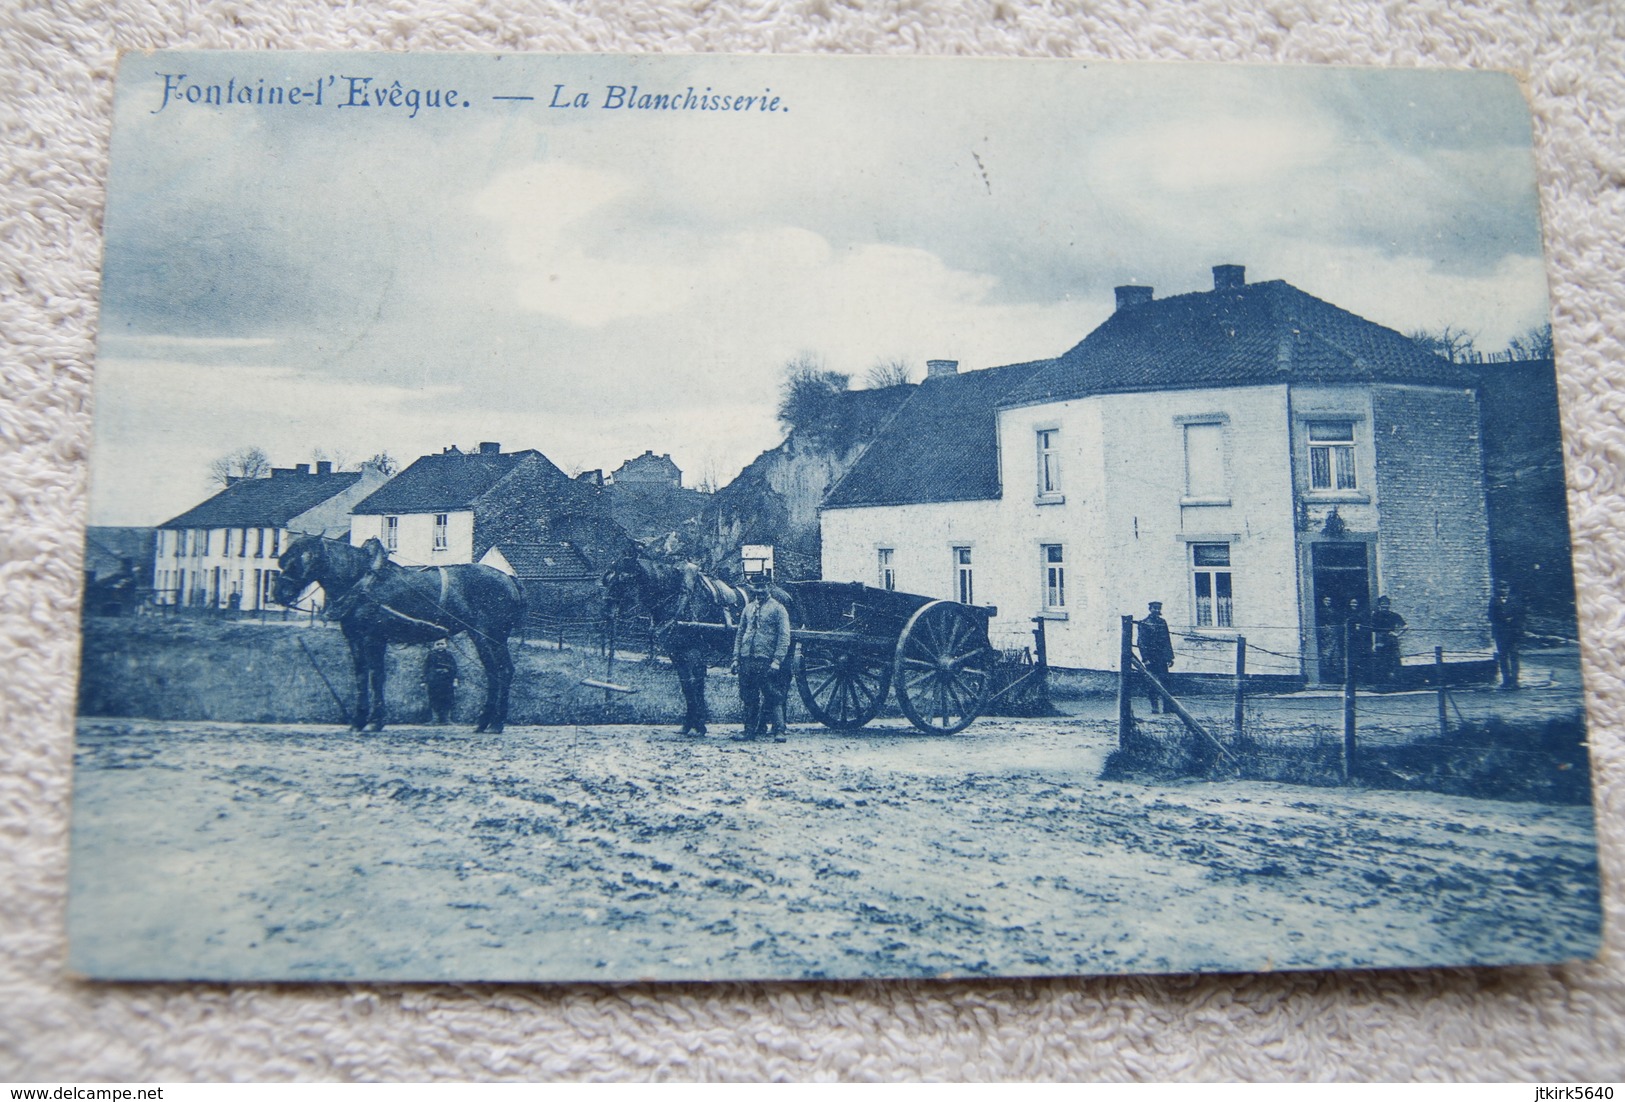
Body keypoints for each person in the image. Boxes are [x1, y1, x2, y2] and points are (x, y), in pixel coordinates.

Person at [732, 575, 792, 742]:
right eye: (756, 588)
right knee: (748, 696)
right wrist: (736, 658)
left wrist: (777, 661)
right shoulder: (748, 609)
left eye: (762, 587)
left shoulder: (778, 609)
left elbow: (784, 637)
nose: (759, 591)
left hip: (765, 659)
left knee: (772, 694)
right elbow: (740, 633)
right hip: (747, 658)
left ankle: (779, 730)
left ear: (769, 587)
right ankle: (749, 731)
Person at [1135, 601, 1174, 714]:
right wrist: (1145, 658)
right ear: (1150, 609)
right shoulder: (1144, 623)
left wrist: (1170, 657)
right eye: (1154, 608)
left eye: (1158, 608)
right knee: (1152, 682)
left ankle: (1167, 707)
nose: (1157, 610)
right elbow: (1141, 642)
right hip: (1151, 658)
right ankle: (1154, 706)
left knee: (1165, 681)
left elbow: (1167, 640)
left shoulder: (1162, 622)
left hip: (1162, 657)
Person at [1489, 580, 1526, 689]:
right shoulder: (1494, 601)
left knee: (1514, 657)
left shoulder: (1514, 601)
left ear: (1508, 589)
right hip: (1500, 634)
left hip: (1513, 633)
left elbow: (1521, 616)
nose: (1503, 590)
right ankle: (1506, 680)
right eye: (1501, 588)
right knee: (1503, 657)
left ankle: (1515, 680)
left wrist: (1517, 627)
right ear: (1498, 590)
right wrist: (1503, 619)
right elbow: (1491, 617)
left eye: (1505, 588)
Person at [1368, 595, 1406, 688]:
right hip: (1380, 640)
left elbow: (1405, 626)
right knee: (1381, 661)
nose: (1385, 607)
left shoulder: (1394, 615)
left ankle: (1394, 684)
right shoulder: (1376, 615)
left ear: (1389, 605)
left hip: (1391, 640)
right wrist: (1374, 643)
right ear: (1379, 605)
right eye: (1383, 605)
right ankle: (1381, 684)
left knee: (1393, 660)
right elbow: (1373, 630)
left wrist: (1397, 634)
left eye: (1386, 605)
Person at [423, 638, 459, 724]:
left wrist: (455, 679)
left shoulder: (449, 655)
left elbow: (454, 668)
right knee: (434, 699)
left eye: (442, 644)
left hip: (447, 681)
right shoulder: (431, 655)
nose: (440, 646)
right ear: (434, 645)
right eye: (438, 644)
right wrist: (424, 681)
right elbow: (426, 668)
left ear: (446, 645)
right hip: (434, 681)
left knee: (448, 699)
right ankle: (434, 719)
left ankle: (446, 719)